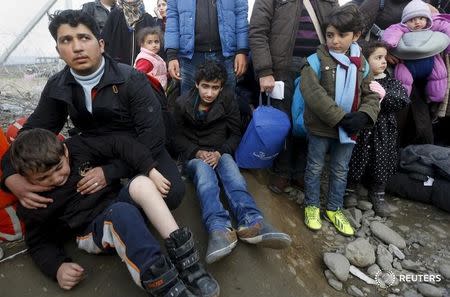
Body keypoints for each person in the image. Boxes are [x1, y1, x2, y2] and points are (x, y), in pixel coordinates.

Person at [1, 10, 184, 213]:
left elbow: (153, 138)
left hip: (139, 148)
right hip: (92, 149)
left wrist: (110, 172)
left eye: (84, 38)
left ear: (101, 44)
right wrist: (10, 176)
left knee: (171, 192)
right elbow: (32, 131)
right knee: (46, 189)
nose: (77, 47)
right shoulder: (58, 85)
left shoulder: (132, 79)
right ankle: (100, 216)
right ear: (58, 50)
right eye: (66, 40)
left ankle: (117, 210)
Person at [8, 129, 219, 297]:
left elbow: (120, 143)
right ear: (25, 178)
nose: (55, 179)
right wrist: (57, 268)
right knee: (121, 212)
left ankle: (186, 260)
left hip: (118, 204)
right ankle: (160, 281)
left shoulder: (77, 147)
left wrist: (148, 168)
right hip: (91, 231)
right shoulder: (32, 203)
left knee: (142, 183)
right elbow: (37, 242)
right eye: (43, 178)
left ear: (65, 152)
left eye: (58, 168)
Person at [173, 61, 292, 264]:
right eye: (205, 86)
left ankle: (253, 222)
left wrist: (220, 152)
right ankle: (219, 229)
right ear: (196, 84)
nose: (209, 93)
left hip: (221, 151)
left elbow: (236, 134)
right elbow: (175, 137)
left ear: (221, 87)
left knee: (234, 177)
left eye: (215, 87)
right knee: (206, 181)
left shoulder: (228, 100)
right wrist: (196, 151)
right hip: (196, 155)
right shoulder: (182, 103)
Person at [300, 4, 380, 236]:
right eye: (330, 35)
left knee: (340, 169)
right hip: (320, 128)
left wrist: (364, 115)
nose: (334, 41)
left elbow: (371, 93)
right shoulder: (314, 61)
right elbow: (313, 94)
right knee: (314, 167)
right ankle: (312, 206)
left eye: (341, 35)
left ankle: (334, 209)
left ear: (355, 36)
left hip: (349, 131)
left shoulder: (361, 64)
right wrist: (340, 117)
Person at [249, 0, 339, 195]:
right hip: (282, 66)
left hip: (318, 65)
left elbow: (339, 26)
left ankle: (300, 171)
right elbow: (258, 30)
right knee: (283, 120)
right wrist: (265, 70)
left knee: (310, 118)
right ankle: (282, 170)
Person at [345, 40, 410, 217]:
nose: (384, 61)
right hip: (363, 129)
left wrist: (385, 95)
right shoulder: (359, 80)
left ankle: (378, 193)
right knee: (357, 157)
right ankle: (350, 189)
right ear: (365, 61)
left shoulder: (391, 82)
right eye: (378, 57)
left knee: (381, 159)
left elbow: (403, 101)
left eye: (385, 57)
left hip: (383, 131)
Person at [165, 0, 248, 94]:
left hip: (226, 56)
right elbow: (172, 18)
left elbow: (241, 16)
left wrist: (242, 51)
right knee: (188, 104)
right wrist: (171, 54)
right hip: (189, 58)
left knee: (227, 103)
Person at [381, 0, 450, 102]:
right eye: (412, 20)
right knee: (403, 79)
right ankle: (401, 98)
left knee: (439, 74)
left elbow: (446, 26)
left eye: (421, 18)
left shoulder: (432, 25)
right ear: (405, 22)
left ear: (427, 19)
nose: (417, 22)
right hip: (407, 62)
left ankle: (436, 97)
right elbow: (391, 32)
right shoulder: (403, 28)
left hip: (431, 60)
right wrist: (389, 44)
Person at [102, 0, 156, 65]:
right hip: (117, 69)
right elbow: (105, 42)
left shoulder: (148, 19)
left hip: (142, 69)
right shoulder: (114, 15)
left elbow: (156, 45)